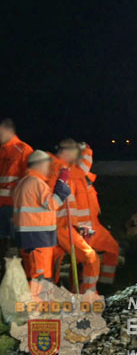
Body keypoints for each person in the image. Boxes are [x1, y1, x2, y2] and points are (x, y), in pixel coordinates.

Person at [13, 150, 70, 300]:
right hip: (38, 238)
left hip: (28, 237)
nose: (48, 168)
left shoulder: (24, 182)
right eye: (46, 165)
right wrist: (62, 185)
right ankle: (39, 312)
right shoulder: (36, 183)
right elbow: (52, 203)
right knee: (41, 276)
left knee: (33, 275)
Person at [49, 139, 100, 294]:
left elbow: (82, 169)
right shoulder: (57, 167)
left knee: (54, 262)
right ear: (67, 152)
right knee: (90, 258)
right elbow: (83, 168)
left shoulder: (60, 167)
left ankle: (54, 292)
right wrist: (87, 150)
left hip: (62, 225)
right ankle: (88, 296)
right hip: (61, 226)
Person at [76, 142, 120, 285]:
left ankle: (105, 283)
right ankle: (85, 291)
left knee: (113, 249)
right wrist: (86, 150)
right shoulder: (75, 180)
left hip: (92, 227)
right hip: (82, 229)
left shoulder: (86, 180)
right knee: (85, 262)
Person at [0, 119, 34, 260]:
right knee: (2, 243)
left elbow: (30, 178)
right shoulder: (1, 151)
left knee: (18, 245)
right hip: (2, 205)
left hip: (14, 206)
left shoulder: (24, 149)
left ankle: (23, 274)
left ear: (8, 130)